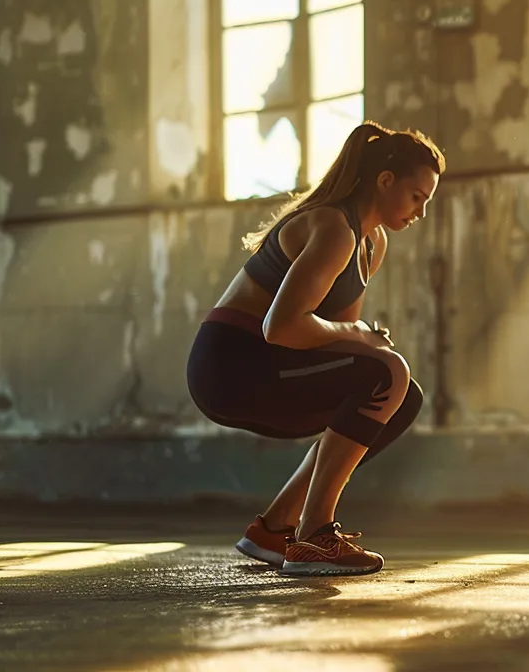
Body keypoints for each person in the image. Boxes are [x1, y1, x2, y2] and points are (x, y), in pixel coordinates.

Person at [186, 121, 443, 576]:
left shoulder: (371, 243)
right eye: (417, 197)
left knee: (401, 395)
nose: (420, 212)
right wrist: (363, 338)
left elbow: (332, 338)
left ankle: (275, 528)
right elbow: (281, 327)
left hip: (267, 364)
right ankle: (313, 537)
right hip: (228, 367)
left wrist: (364, 340)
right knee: (387, 374)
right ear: (385, 181)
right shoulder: (333, 227)